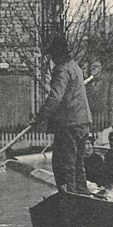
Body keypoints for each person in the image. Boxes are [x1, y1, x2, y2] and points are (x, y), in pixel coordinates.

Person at [32, 36, 93, 194]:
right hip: (83, 123)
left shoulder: (62, 70)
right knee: (77, 164)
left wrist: (40, 116)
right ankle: (83, 195)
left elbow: (55, 97)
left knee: (64, 166)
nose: (51, 58)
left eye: (52, 54)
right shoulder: (75, 67)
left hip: (69, 124)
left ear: (57, 54)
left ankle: (71, 202)